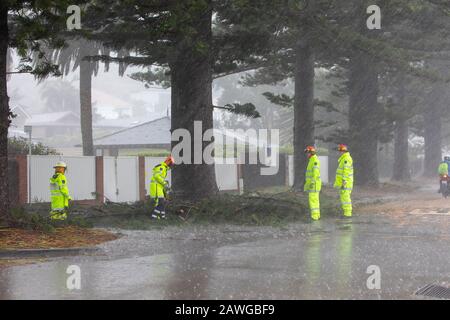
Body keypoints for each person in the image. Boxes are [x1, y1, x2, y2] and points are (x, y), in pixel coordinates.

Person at [334, 144, 354, 217]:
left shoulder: (346, 159)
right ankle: (346, 213)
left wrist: (344, 181)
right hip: (345, 182)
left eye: (340, 151)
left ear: (342, 151)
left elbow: (346, 171)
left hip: (345, 183)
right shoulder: (345, 158)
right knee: (344, 198)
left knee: (345, 198)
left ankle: (347, 214)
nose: (339, 153)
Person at [304, 146, 321, 221]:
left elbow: (315, 173)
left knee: (313, 200)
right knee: (315, 200)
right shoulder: (312, 160)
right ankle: (316, 215)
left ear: (311, 153)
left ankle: (314, 217)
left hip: (313, 185)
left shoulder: (314, 160)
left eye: (307, 153)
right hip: (314, 184)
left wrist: (312, 183)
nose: (306, 155)